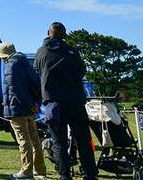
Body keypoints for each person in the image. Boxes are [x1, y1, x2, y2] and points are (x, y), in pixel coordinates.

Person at [35, 22, 97, 180]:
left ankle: (64, 175)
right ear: (64, 35)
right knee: (83, 141)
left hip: (53, 103)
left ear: (48, 33)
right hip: (74, 101)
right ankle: (90, 174)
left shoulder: (41, 52)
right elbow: (81, 71)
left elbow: (37, 73)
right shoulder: (72, 51)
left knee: (58, 142)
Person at [0, 42, 46, 180]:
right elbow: (36, 83)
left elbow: (15, 90)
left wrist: (29, 104)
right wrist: (35, 104)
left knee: (24, 140)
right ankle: (40, 169)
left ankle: (26, 171)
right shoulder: (25, 63)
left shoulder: (10, 66)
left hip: (17, 109)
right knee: (35, 139)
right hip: (30, 109)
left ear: (4, 55)